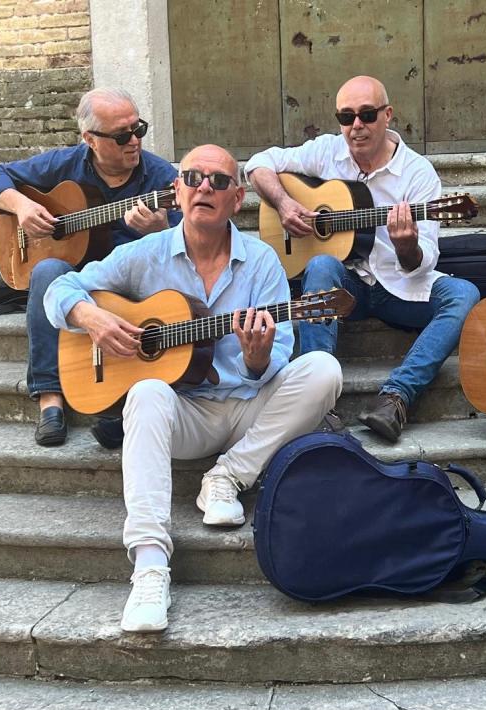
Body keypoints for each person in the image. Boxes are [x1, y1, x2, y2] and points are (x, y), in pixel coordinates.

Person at [44, 144, 342, 632]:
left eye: (219, 182)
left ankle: (227, 477)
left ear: (238, 198)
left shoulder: (263, 261)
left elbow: (280, 355)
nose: (205, 187)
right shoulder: (146, 254)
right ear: (177, 190)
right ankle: (149, 565)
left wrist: (256, 356)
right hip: (187, 415)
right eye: (193, 177)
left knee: (324, 369)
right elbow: (60, 289)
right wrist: (93, 318)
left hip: (251, 408)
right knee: (143, 393)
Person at [245, 75, 479, 443]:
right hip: (344, 287)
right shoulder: (326, 151)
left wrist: (407, 246)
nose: (356, 126)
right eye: (346, 116)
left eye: (367, 115)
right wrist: (284, 202)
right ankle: (316, 401)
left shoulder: (418, 174)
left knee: (464, 294)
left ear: (388, 115)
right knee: (321, 265)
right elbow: (259, 163)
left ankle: (396, 397)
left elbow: (425, 260)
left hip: (399, 288)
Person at [0, 87, 182, 447]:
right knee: (46, 273)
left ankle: (121, 398)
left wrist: (163, 230)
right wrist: (22, 207)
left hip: (128, 286)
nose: (134, 141)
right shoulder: (66, 164)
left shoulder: (162, 179)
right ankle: (49, 397)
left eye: (139, 129)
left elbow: (194, 243)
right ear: (90, 139)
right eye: (121, 136)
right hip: (74, 279)